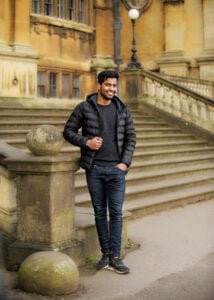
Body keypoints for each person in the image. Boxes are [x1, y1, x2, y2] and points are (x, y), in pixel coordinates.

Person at [63, 70, 136, 274]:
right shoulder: (85, 108)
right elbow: (68, 131)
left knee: (116, 213)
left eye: (114, 86)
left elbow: (131, 138)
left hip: (116, 170)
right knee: (99, 213)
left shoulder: (122, 109)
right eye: (108, 85)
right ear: (99, 85)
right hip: (94, 169)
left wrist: (124, 163)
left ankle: (115, 257)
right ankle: (105, 255)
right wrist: (86, 141)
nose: (112, 89)